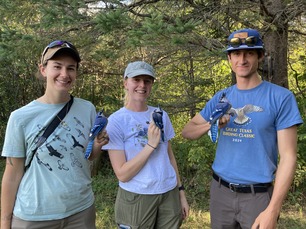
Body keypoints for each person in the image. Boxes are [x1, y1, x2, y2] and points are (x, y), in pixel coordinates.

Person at [182, 28, 303, 229]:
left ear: (260, 56)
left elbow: (289, 157)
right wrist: (211, 123)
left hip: (258, 197)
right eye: (236, 54)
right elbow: (188, 131)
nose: (242, 59)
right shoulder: (222, 97)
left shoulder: (281, 98)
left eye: (249, 53)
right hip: (220, 192)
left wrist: (272, 210)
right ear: (230, 59)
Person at [1, 40, 109, 229]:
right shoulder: (20, 118)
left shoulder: (87, 109)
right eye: (57, 67)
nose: (64, 74)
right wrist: (4, 222)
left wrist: (97, 147)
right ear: (43, 69)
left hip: (81, 211)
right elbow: (12, 174)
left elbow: (86, 156)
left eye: (71, 68)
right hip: (34, 215)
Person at [102, 61, 189, 228]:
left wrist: (181, 193)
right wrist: (150, 146)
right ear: (125, 82)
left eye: (147, 81)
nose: (142, 85)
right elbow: (122, 174)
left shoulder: (160, 114)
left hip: (168, 193)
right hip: (137, 196)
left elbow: (170, 157)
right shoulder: (116, 121)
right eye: (137, 79)